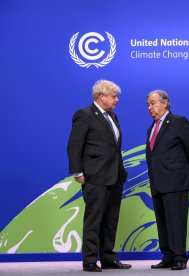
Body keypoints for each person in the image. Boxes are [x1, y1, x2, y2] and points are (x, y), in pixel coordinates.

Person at [67, 80, 131, 272]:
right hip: (95, 176)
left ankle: (108, 258)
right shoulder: (84, 115)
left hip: (115, 177)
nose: (117, 100)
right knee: (94, 220)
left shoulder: (113, 117)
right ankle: (89, 260)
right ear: (101, 96)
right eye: (114, 96)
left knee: (111, 220)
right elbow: (74, 145)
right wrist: (78, 172)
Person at [146, 89, 189, 270]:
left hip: (176, 182)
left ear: (165, 103)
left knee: (176, 221)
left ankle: (179, 257)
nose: (150, 108)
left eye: (153, 103)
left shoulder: (178, 122)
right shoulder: (151, 128)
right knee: (162, 222)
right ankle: (167, 255)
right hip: (158, 182)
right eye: (148, 105)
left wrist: (184, 173)